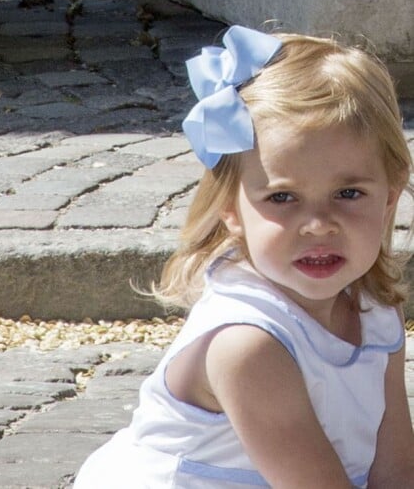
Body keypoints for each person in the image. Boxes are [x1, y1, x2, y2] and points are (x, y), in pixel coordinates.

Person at [74, 25, 414, 488]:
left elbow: (395, 470)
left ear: (389, 198)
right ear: (232, 211)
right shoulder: (249, 344)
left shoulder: (376, 311)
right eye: (282, 198)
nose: (318, 224)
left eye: (348, 193)